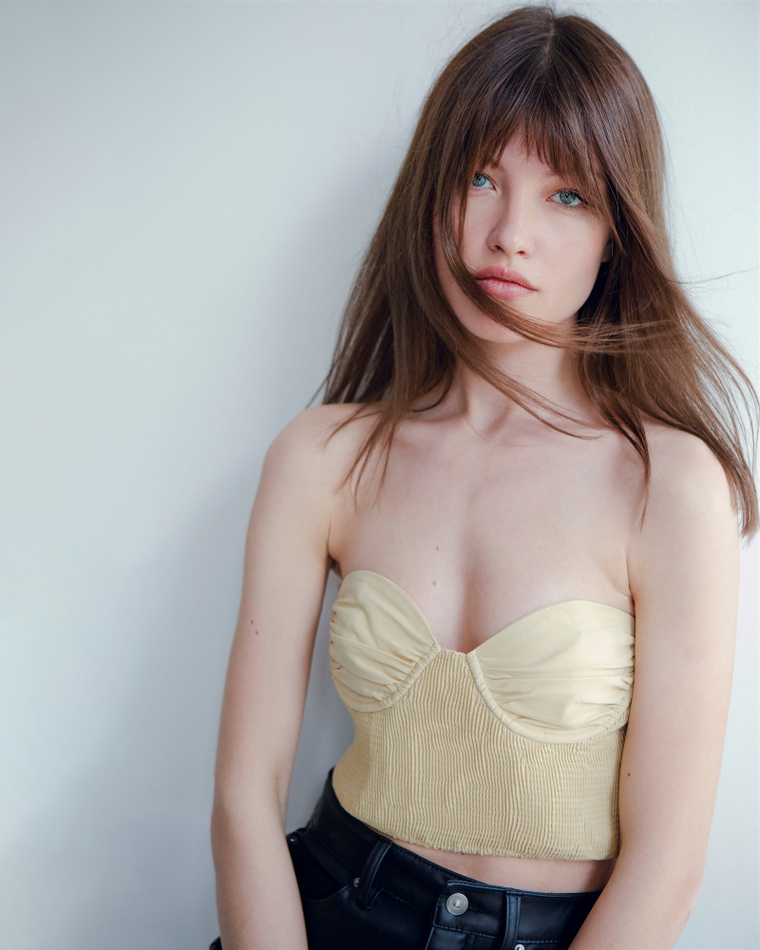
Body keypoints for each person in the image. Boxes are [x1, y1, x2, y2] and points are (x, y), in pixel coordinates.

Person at [209, 6, 758, 949]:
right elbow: (243, 798)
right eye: (480, 179)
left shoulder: (669, 487)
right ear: (431, 198)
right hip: (327, 907)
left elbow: (665, 874)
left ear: (616, 235)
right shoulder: (322, 458)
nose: (510, 233)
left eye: (567, 195)